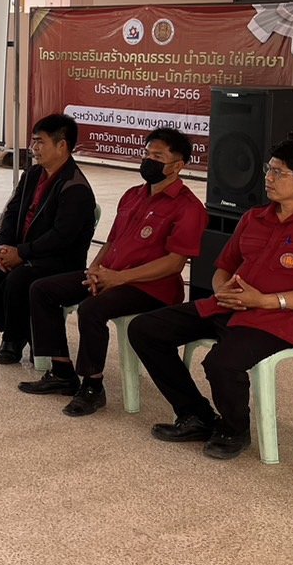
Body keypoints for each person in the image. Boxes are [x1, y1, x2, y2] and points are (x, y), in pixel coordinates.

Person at [128, 139, 293, 460]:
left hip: (276, 320)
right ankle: (196, 415)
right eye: (269, 169)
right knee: (145, 329)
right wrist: (221, 289)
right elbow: (223, 268)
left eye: (278, 173)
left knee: (221, 362)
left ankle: (234, 430)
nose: (268, 178)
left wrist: (267, 301)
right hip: (228, 306)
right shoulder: (254, 218)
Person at [18, 128, 207, 415]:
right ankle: (61, 371)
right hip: (111, 275)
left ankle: (92, 386)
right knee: (42, 289)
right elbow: (111, 241)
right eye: (146, 154)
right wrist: (95, 269)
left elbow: (174, 263)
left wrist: (120, 278)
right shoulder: (133, 195)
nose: (149, 160)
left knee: (92, 309)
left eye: (158, 157)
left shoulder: (188, 207)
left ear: (177, 165)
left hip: (150, 288)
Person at [0, 114, 98, 367]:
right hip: (26, 251)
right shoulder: (33, 174)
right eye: (33, 141)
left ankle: (12, 339)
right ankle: (24, 332)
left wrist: (22, 254)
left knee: (16, 279)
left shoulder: (75, 187)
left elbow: (61, 237)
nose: (34, 148)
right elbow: (12, 212)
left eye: (40, 142)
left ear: (62, 146)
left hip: (58, 260)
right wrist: (4, 247)